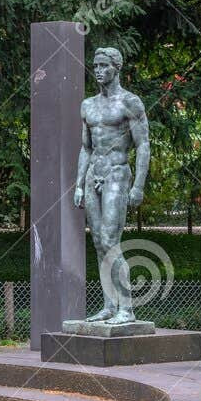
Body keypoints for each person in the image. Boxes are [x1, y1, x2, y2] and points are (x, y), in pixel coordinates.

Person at [72, 46, 150, 324]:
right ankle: (109, 306)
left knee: (110, 241)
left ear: (116, 68)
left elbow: (143, 145)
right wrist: (79, 183)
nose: (99, 71)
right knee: (98, 243)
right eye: (95, 66)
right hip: (94, 174)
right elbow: (85, 147)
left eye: (104, 66)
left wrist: (138, 185)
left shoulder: (130, 102)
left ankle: (126, 308)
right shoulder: (88, 105)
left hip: (118, 174)